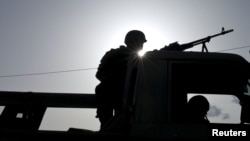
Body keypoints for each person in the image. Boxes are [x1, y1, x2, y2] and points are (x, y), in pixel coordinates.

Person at [95, 30, 147, 130]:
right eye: (141, 42)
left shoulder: (141, 59)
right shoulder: (115, 55)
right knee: (110, 127)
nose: (142, 45)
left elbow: (99, 75)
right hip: (113, 96)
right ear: (134, 41)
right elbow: (100, 74)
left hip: (126, 99)